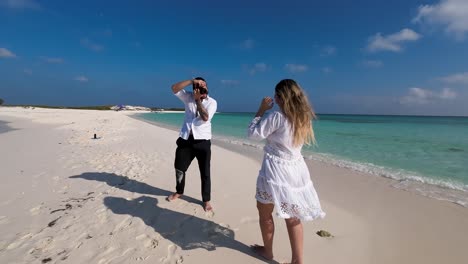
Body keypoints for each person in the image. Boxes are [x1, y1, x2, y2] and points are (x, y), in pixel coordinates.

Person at [247, 79, 325, 264]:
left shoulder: (277, 116)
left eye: (276, 95)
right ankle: (297, 261)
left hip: (275, 170)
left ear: (282, 97)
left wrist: (261, 110)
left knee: (264, 212)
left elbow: (253, 134)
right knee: (293, 217)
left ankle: (268, 252)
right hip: (296, 170)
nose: (274, 98)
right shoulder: (303, 117)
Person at [167, 77, 217, 212]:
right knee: (179, 168)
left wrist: (198, 100)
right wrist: (191, 81)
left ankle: (206, 200)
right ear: (194, 87)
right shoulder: (187, 96)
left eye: (203, 85)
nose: (201, 87)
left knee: (205, 172)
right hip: (185, 139)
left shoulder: (212, 102)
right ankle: (179, 191)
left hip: (203, 142)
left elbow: (205, 117)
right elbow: (174, 88)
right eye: (198, 85)